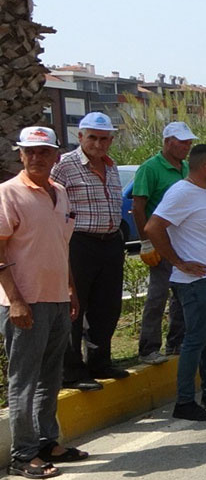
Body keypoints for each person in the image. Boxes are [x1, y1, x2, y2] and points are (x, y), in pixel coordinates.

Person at [1, 127, 89, 479]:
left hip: (55, 299)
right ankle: (23, 455)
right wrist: (17, 301)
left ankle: (47, 441)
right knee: (24, 379)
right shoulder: (8, 193)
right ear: (20, 155)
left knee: (50, 376)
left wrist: (70, 289)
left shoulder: (60, 193)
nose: (37, 158)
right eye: (30, 152)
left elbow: (61, 246)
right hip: (24, 303)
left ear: (56, 156)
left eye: (44, 152)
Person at [145, 144, 206, 422]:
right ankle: (185, 401)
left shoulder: (203, 193)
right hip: (195, 282)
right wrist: (179, 262)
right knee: (195, 340)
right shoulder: (181, 192)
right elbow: (153, 227)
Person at [51, 112, 126, 390]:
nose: (98, 143)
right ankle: (71, 371)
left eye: (104, 138)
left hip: (110, 243)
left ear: (111, 140)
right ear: (80, 137)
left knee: (107, 306)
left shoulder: (112, 166)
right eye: (92, 137)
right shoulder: (64, 166)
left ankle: (100, 361)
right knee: (74, 308)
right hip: (78, 244)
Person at [133, 121, 196, 365]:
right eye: (182, 141)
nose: (186, 146)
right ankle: (148, 348)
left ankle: (176, 344)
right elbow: (138, 208)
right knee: (157, 295)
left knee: (181, 295)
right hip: (161, 244)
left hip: (183, 244)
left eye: (189, 142)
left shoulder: (187, 168)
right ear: (168, 141)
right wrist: (146, 242)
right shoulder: (150, 168)